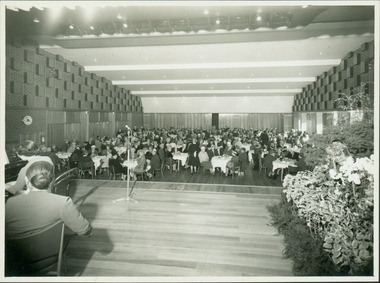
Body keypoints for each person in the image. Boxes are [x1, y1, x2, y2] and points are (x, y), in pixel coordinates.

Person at [5, 161, 93, 240]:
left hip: (14, 254)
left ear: (27, 180)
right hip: (49, 254)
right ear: (53, 180)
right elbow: (86, 232)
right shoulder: (63, 203)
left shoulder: (10, 202)